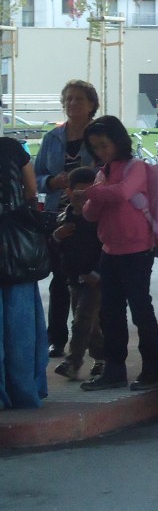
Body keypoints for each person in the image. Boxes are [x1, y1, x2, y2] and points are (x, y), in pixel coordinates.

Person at [79, 115, 158, 393]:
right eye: (95, 148)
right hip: (110, 251)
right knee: (110, 312)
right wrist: (95, 195)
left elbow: (122, 192)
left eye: (104, 145)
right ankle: (114, 369)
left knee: (141, 310)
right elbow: (90, 214)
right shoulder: (103, 174)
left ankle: (154, 368)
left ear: (118, 141)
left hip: (137, 250)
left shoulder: (135, 167)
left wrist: (93, 192)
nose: (100, 152)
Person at [34, 80, 98, 358]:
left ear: (91, 105)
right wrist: (52, 181)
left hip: (91, 216)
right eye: (68, 99)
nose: (72, 104)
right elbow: (36, 177)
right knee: (60, 279)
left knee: (90, 279)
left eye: (79, 99)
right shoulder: (52, 138)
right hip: (56, 216)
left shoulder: (98, 136)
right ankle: (56, 340)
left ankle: (94, 345)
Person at [0, 133, 49, 408]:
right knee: (21, 322)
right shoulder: (12, 148)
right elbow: (32, 191)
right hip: (16, 243)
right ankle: (24, 390)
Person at [50, 166, 105, 381]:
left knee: (82, 320)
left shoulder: (98, 220)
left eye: (88, 194)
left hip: (94, 279)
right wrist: (57, 236)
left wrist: (96, 273)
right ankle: (102, 358)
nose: (82, 199)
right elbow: (58, 249)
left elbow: (106, 247)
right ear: (69, 192)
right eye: (78, 194)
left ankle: (73, 362)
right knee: (88, 322)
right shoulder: (65, 218)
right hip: (74, 278)